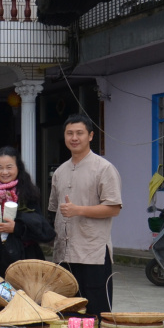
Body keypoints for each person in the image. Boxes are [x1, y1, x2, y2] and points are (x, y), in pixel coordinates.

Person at [48, 114, 123, 316]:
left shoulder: (104, 168)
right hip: (64, 253)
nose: (74, 138)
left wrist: (78, 210)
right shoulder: (59, 172)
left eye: (79, 133)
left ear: (90, 136)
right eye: (69, 133)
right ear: (64, 137)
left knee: (96, 313)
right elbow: (54, 211)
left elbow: (113, 208)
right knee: (66, 312)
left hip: (93, 253)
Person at [0, 147, 54, 276]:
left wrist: (16, 227)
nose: (4, 172)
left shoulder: (27, 191)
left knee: (19, 296)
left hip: (21, 259)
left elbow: (39, 225)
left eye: (9, 167)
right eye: (0, 167)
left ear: (18, 167)